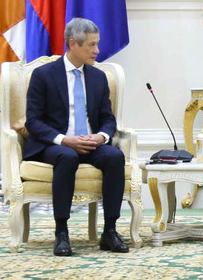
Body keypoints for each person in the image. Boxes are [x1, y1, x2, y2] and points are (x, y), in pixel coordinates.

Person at [24, 18, 129, 256]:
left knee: (114, 157)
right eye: (91, 45)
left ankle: (110, 231)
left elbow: (108, 118)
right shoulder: (43, 76)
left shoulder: (98, 77)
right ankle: (62, 233)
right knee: (67, 157)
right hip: (56, 144)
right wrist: (64, 139)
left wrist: (101, 137)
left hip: (90, 143)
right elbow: (33, 121)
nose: (97, 50)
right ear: (73, 44)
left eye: (97, 44)